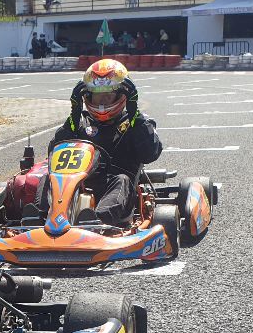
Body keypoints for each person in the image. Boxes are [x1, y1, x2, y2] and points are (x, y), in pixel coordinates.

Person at [28, 59, 163, 226]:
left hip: (116, 190)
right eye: (98, 95)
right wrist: (74, 114)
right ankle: (39, 219)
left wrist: (134, 112)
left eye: (108, 95)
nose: (102, 102)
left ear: (123, 95)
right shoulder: (79, 122)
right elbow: (54, 152)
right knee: (49, 176)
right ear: (88, 96)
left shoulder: (135, 122)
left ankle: (96, 221)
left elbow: (150, 153)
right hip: (76, 186)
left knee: (122, 180)